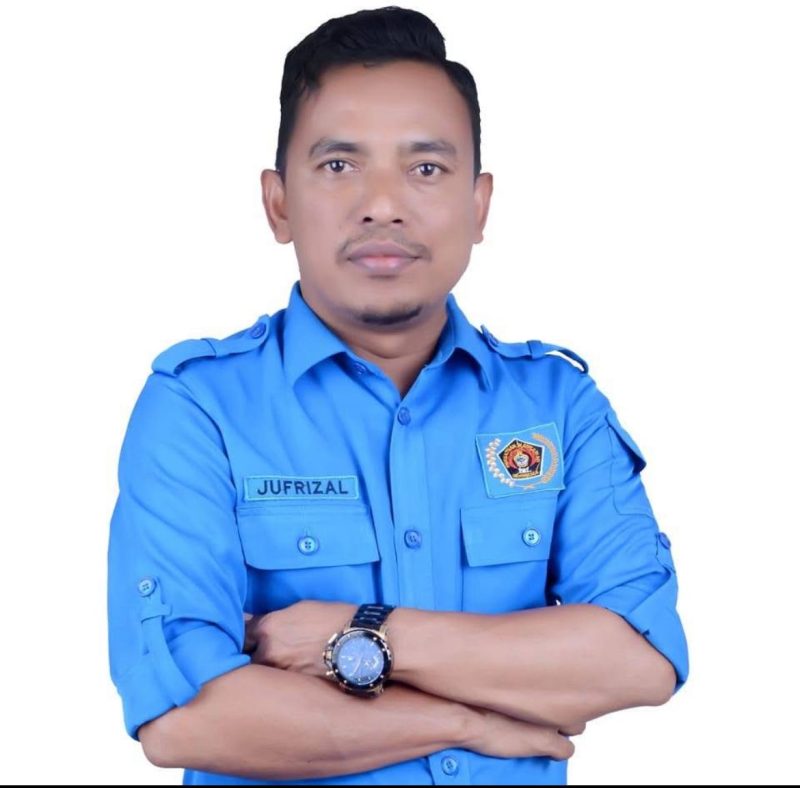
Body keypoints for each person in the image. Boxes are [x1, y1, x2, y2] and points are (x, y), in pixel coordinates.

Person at [106, 6, 689, 785]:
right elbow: (185, 719)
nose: (383, 204)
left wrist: (359, 634)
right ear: (279, 203)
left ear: (478, 205)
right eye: (338, 165)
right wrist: (468, 721)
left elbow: (640, 658)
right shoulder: (199, 409)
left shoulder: (557, 405)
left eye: (426, 169)